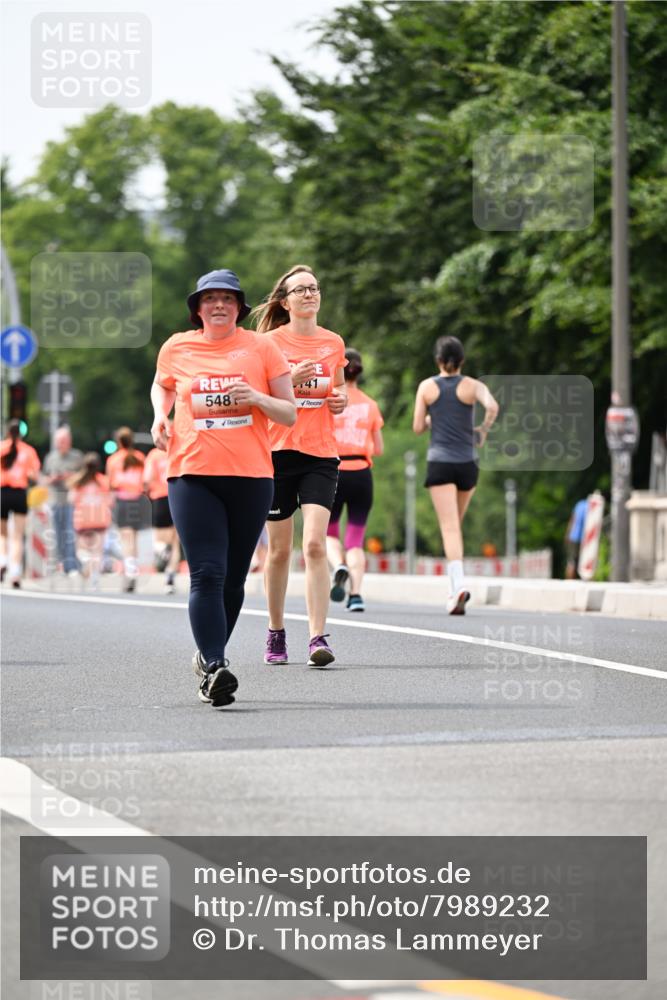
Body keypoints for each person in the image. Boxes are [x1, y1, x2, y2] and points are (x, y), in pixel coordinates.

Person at [151, 268, 296, 707]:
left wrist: (256, 398)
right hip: (192, 474)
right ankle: (215, 666)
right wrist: (159, 416)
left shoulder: (262, 348)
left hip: (251, 477)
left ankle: (208, 657)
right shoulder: (178, 346)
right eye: (210, 298)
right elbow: (162, 385)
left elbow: (288, 413)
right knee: (207, 573)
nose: (218, 305)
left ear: (239, 308)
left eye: (227, 299)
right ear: (197, 308)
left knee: (233, 579)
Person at [253, 264, 347, 667]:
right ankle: (275, 631)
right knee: (278, 552)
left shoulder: (333, 342)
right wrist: (289, 379)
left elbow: (338, 386)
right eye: (301, 290)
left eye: (314, 288)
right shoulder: (268, 344)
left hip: (320, 454)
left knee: (314, 544)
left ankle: (317, 637)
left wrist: (340, 398)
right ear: (285, 302)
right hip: (275, 453)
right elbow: (255, 395)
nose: (310, 294)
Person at [413, 335, 499, 614]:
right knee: (455, 526)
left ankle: (458, 586)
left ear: (438, 360)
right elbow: (493, 407)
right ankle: (453, 590)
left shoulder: (427, 387)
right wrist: (482, 431)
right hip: (467, 463)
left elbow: (417, 427)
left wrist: (432, 419)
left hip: (440, 462)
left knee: (449, 528)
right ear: (462, 360)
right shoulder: (473, 386)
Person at [326, 348, 384, 612]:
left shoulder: (331, 400)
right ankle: (357, 595)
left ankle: (338, 565)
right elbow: (379, 448)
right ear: (359, 372)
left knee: (329, 532)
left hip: (334, 471)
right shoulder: (370, 405)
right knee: (355, 539)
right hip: (362, 473)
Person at [0, 420, 41, 587]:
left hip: (3, 492)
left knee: (2, 534)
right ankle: (15, 572)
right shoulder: (28, 451)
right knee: (17, 535)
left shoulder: (1, 448)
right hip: (19, 493)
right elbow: (34, 476)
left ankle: (2, 560)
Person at [105, 427, 146, 592]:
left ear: (119, 442)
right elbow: (144, 481)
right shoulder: (140, 457)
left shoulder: (113, 460)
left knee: (125, 537)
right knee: (133, 538)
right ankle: (133, 569)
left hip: (122, 500)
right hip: (137, 500)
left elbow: (110, 484)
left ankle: (129, 572)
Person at [41, 425, 84, 575]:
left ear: (69, 441)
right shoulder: (50, 458)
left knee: (70, 532)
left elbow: (84, 476)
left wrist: (70, 477)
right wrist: (52, 479)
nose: (61, 444)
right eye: (59, 441)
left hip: (71, 501)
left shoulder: (77, 457)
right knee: (58, 533)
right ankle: (62, 564)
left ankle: (71, 566)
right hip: (55, 500)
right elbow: (44, 478)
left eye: (63, 441)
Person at [68, 452, 113, 587]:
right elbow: (111, 501)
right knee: (97, 551)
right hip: (100, 520)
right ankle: (95, 576)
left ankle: (86, 561)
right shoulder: (104, 481)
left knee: (81, 550)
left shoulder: (78, 481)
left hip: (83, 520)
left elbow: (71, 499)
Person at [143, 445, 182, 594]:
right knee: (175, 541)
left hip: (160, 498)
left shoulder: (154, 455)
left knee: (161, 541)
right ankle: (170, 577)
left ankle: (164, 557)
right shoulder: (179, 449)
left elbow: (147, 478)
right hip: (179, 496)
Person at [565, 498, 588, 579]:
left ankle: (569, 581)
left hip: (573, 537)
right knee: (584, 560)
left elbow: (572, 520)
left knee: (571, 561)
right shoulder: (591, 506)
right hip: (585, 538)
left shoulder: (579, 504)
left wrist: (567, 534)